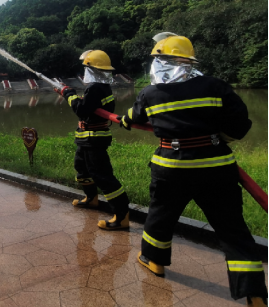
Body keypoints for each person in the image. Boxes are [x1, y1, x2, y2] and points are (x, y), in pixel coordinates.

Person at [117, 33, 267, 306]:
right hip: (216, 165)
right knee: (232, 228)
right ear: (189, 61)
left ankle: (154, 260)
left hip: (172, 166)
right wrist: (217, 138)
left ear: (160, 62)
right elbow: (240, 123)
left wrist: (124, 120)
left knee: (161, 215)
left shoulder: (151, 93)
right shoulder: (215, 86)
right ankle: (254, 292)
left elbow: (133, 117)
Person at [55, 50, 130, 230]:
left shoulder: (95, 88)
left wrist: (68, 94)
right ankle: (91, 199)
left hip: (94, 139)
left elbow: (81, 110)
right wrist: (69, 93)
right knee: (82, 168)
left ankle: (122, 215)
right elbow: (88, 106)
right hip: (87, 138)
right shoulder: (100, 87)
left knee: (102, 176)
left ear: (91, 69)